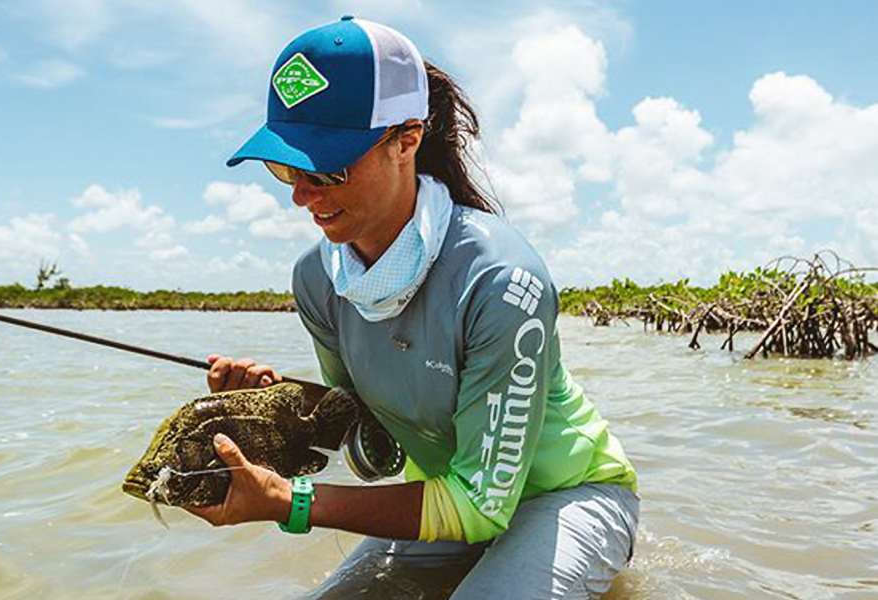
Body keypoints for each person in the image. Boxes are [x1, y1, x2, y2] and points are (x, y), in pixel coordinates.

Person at [187, 16, 639, 600]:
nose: (302, 193)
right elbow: (371, 444)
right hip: (447, 498)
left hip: (566, 495)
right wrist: (265, 417)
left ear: (407, 138)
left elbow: (479, 504)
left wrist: (289, 504)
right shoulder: (316, 281)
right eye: (286, 168)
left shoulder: (502, 280)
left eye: (326, 166)